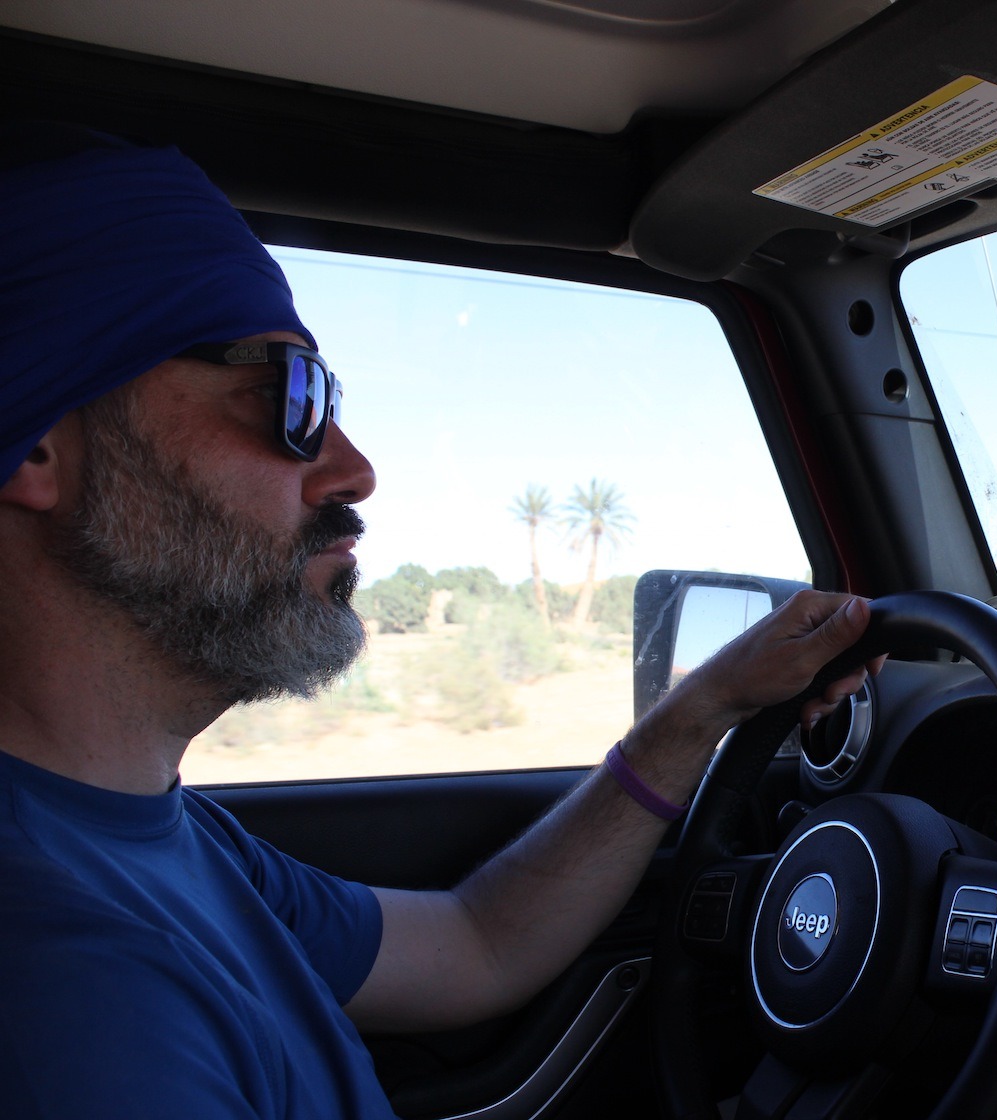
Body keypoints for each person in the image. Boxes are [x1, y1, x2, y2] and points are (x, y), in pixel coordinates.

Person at [0, 123, 877, 1118]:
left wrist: (703, 707)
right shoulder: (64, 996)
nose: (353, 468)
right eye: (289, 397)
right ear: (37, 441)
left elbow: (476, 942)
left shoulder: (156, 831)